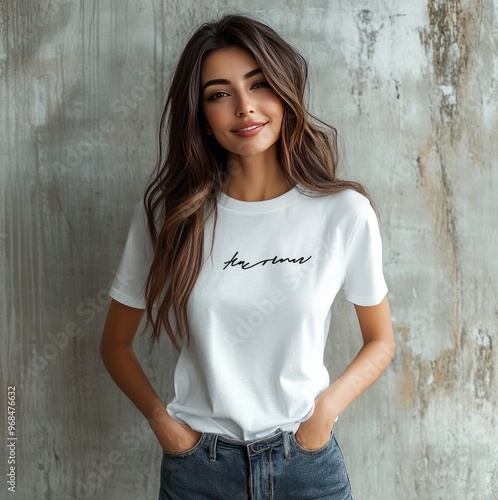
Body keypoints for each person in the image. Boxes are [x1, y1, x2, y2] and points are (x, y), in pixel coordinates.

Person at [100, 12, 395, 500]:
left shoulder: (344, 213)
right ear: (201, 113)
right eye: (219, 94)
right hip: (199, 472)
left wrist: (323, 416)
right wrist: (166, 426)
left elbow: (380, 340)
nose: (245, 107)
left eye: (259, 85)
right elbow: (114, 345)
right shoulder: (168, 216)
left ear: (284, 91)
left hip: (306, 465)